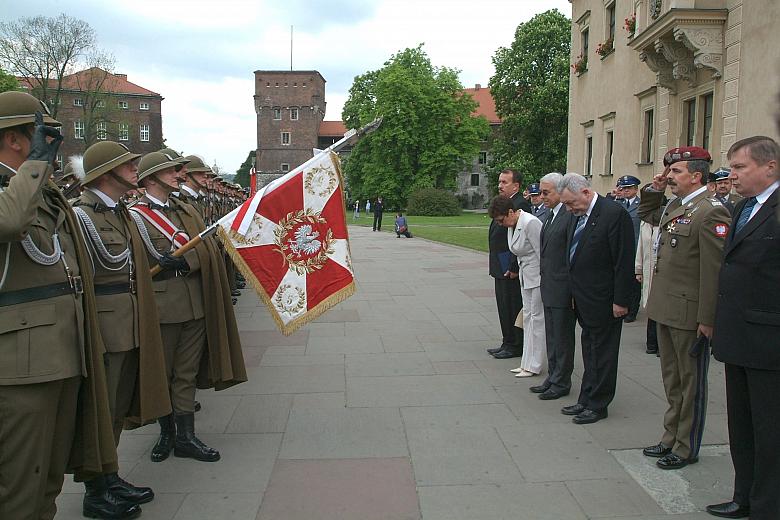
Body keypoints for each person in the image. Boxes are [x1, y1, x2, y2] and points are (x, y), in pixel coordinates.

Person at [0, 92, 125, 519]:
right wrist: (36, 164)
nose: (53, 146)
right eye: (43, 136)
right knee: (20, 486)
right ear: (17, 140)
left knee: (48, 481)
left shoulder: (36, 190)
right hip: (20, 365)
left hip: (62, 351)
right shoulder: (18, 189)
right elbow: (11, 222)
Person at [71, 142, 173, 516]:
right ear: (105, 173)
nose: (135, 168)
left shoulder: (119, 213)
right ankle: (95, 492)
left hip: (128, 320)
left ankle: (109, 475)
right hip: (105, 324)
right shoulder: (81, 216)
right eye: (127, 164)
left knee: (114, 409)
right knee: (100, 410)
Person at [129, 152, 247, 464]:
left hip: (194, 302)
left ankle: (185, 436)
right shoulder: (134, 215)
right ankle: (166, 431)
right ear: (150, 178)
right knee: (162, 373)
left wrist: (186, 261)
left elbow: (206, 249)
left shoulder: (185, 210)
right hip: (162, 306)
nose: (178, 174)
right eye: (169, 171)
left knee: (186, 373)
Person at [642, 146, 731, 470]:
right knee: (672, 380)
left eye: (676, 171)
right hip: (666, 308)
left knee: (690, 382)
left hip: (689, 313)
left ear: (696, 176)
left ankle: (685, 446)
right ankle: (670, 437)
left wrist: (707, 319)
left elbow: (713, 272)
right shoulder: (676, 207)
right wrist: (654, 188)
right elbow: (646, 213)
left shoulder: (710, 212)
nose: (669, 177)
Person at [707, 136, 779, 520]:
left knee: (771, 432)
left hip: (769, 341)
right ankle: (744, 496)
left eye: (739, 167)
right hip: (738, 337)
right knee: (742, 426)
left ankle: (768, 506)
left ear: (770, 167)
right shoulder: (744, 207)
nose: (731, 175)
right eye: (731, 167)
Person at [558, 173, 634, 424]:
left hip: (605, 300)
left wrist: (622, 301)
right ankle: (585, 398)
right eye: (566, 204)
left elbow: (623, 261)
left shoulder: (613, 214)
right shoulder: (576, 216)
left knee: (603, 353)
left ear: (586, 193)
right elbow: (573, 258)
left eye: (571, 203)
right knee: (589, 350)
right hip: (583, 298)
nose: (569, 209)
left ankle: (599, 403)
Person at [488, 196, 545, 378]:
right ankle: (526, 362)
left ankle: (535, 364)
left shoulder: (530, 223)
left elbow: (542, 253)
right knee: (527, 319)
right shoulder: (513, 224)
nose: (501, 224)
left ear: (511, 212)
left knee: (536, 320)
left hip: (537, 278)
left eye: (501, 220)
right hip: (525, 276)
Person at [533, 172, 576, 400]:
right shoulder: (550, 216)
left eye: (546, 192)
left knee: (562, 337)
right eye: (541, 192)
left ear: (560, 192)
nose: (541, 197)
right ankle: (553, 375)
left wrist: (571, 290)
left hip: (562, 287)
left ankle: (561, 381)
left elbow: (571, 255)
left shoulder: (568, 216)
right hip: (549, 285)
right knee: (551, 335)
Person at [486, 169, 533, 359]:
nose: (500, 185)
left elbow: (521, 239)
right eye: (499, 182)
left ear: (516, 185)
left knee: (513, 306)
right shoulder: (503, 204)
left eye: (504, 182)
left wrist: (513, 267)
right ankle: (507, 341)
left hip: (509, 267)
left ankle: (515, 344)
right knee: (503, 305)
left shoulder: (520, 205)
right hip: (500, 264)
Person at [616, 175, 642, 322]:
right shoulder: (617, 204)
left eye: (628, 188)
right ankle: (622, 305)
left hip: (635, 246)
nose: (625, 191)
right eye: (623, 188)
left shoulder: (641, 205)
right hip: (620, 247)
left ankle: (632, 310)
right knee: (622, 278)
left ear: (635, 189)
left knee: (634, 281)